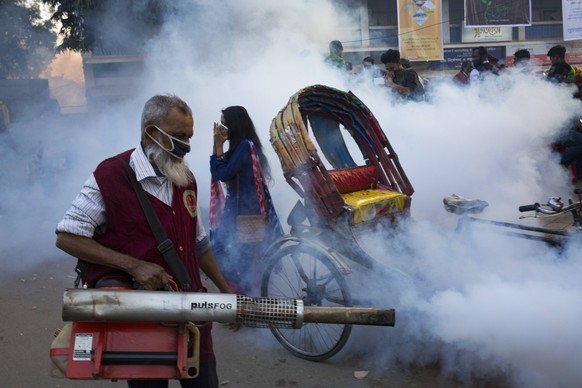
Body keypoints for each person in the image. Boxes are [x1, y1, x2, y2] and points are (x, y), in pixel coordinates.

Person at [55, 94, 235, 388]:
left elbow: (199, 244)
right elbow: (68, 236)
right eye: (178, 136)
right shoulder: (111, 175)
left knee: (204, 382)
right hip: (141, 323)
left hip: (192, 316)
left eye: (189, 137)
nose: (186, 146)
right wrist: (134, 266)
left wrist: (226, 291)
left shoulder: (186, 178)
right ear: (152, 133)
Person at [210, 106, 283, 295]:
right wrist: (217, 143)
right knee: (236, 256)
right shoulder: (241, 147)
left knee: (227, 254)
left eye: (225, 123)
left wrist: (218, 146)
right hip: (239, 211)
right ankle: (241, 298)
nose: (222, 127)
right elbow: (217, 171)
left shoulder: (244, 146)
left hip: (243, 213)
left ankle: (240, 300)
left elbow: (223, 174)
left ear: (234, 124)